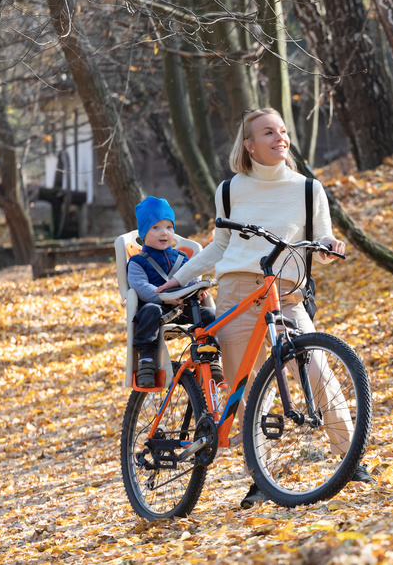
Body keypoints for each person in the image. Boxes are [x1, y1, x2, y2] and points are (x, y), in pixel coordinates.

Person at [157, 108, 373, 508]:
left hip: (286, 293)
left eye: (283, 131)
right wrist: (179, 279)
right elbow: (219, 247)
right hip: (237, 293)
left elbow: (320, 239)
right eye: (268, 132)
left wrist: (330, 247)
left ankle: (351, 459)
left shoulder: (309, 190)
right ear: (249, 144)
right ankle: (260, 478)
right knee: (247, 387)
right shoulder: (230, 190)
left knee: (317, 369)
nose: (279, 138)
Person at [128, 196, 218, 388]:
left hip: (183, 309)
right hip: (156, 312)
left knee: (210, 314)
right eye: (156, 227)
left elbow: (192, 278)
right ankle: (146, 362)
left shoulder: (182, 257)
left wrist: (196, 290)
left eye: (169, 227)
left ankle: (211, 357)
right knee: (149, 311)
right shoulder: (138, 262)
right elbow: (141, 286)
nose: (165, 233)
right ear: (144, 232)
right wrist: (165, 297)